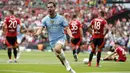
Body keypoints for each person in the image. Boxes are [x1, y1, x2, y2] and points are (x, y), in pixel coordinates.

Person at [36, 2, 76, 73]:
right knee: (61, 59)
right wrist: (37, 33)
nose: (49, 9)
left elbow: (67, 28)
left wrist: (71, 35)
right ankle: (70, 69)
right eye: (48, 7)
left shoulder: (61, 18)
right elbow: (41, 28)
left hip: (61, 38)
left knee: (57, 49)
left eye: (51, 7)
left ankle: (66, 62)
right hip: (52, 41)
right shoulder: (45, 19)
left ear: (55, 8)